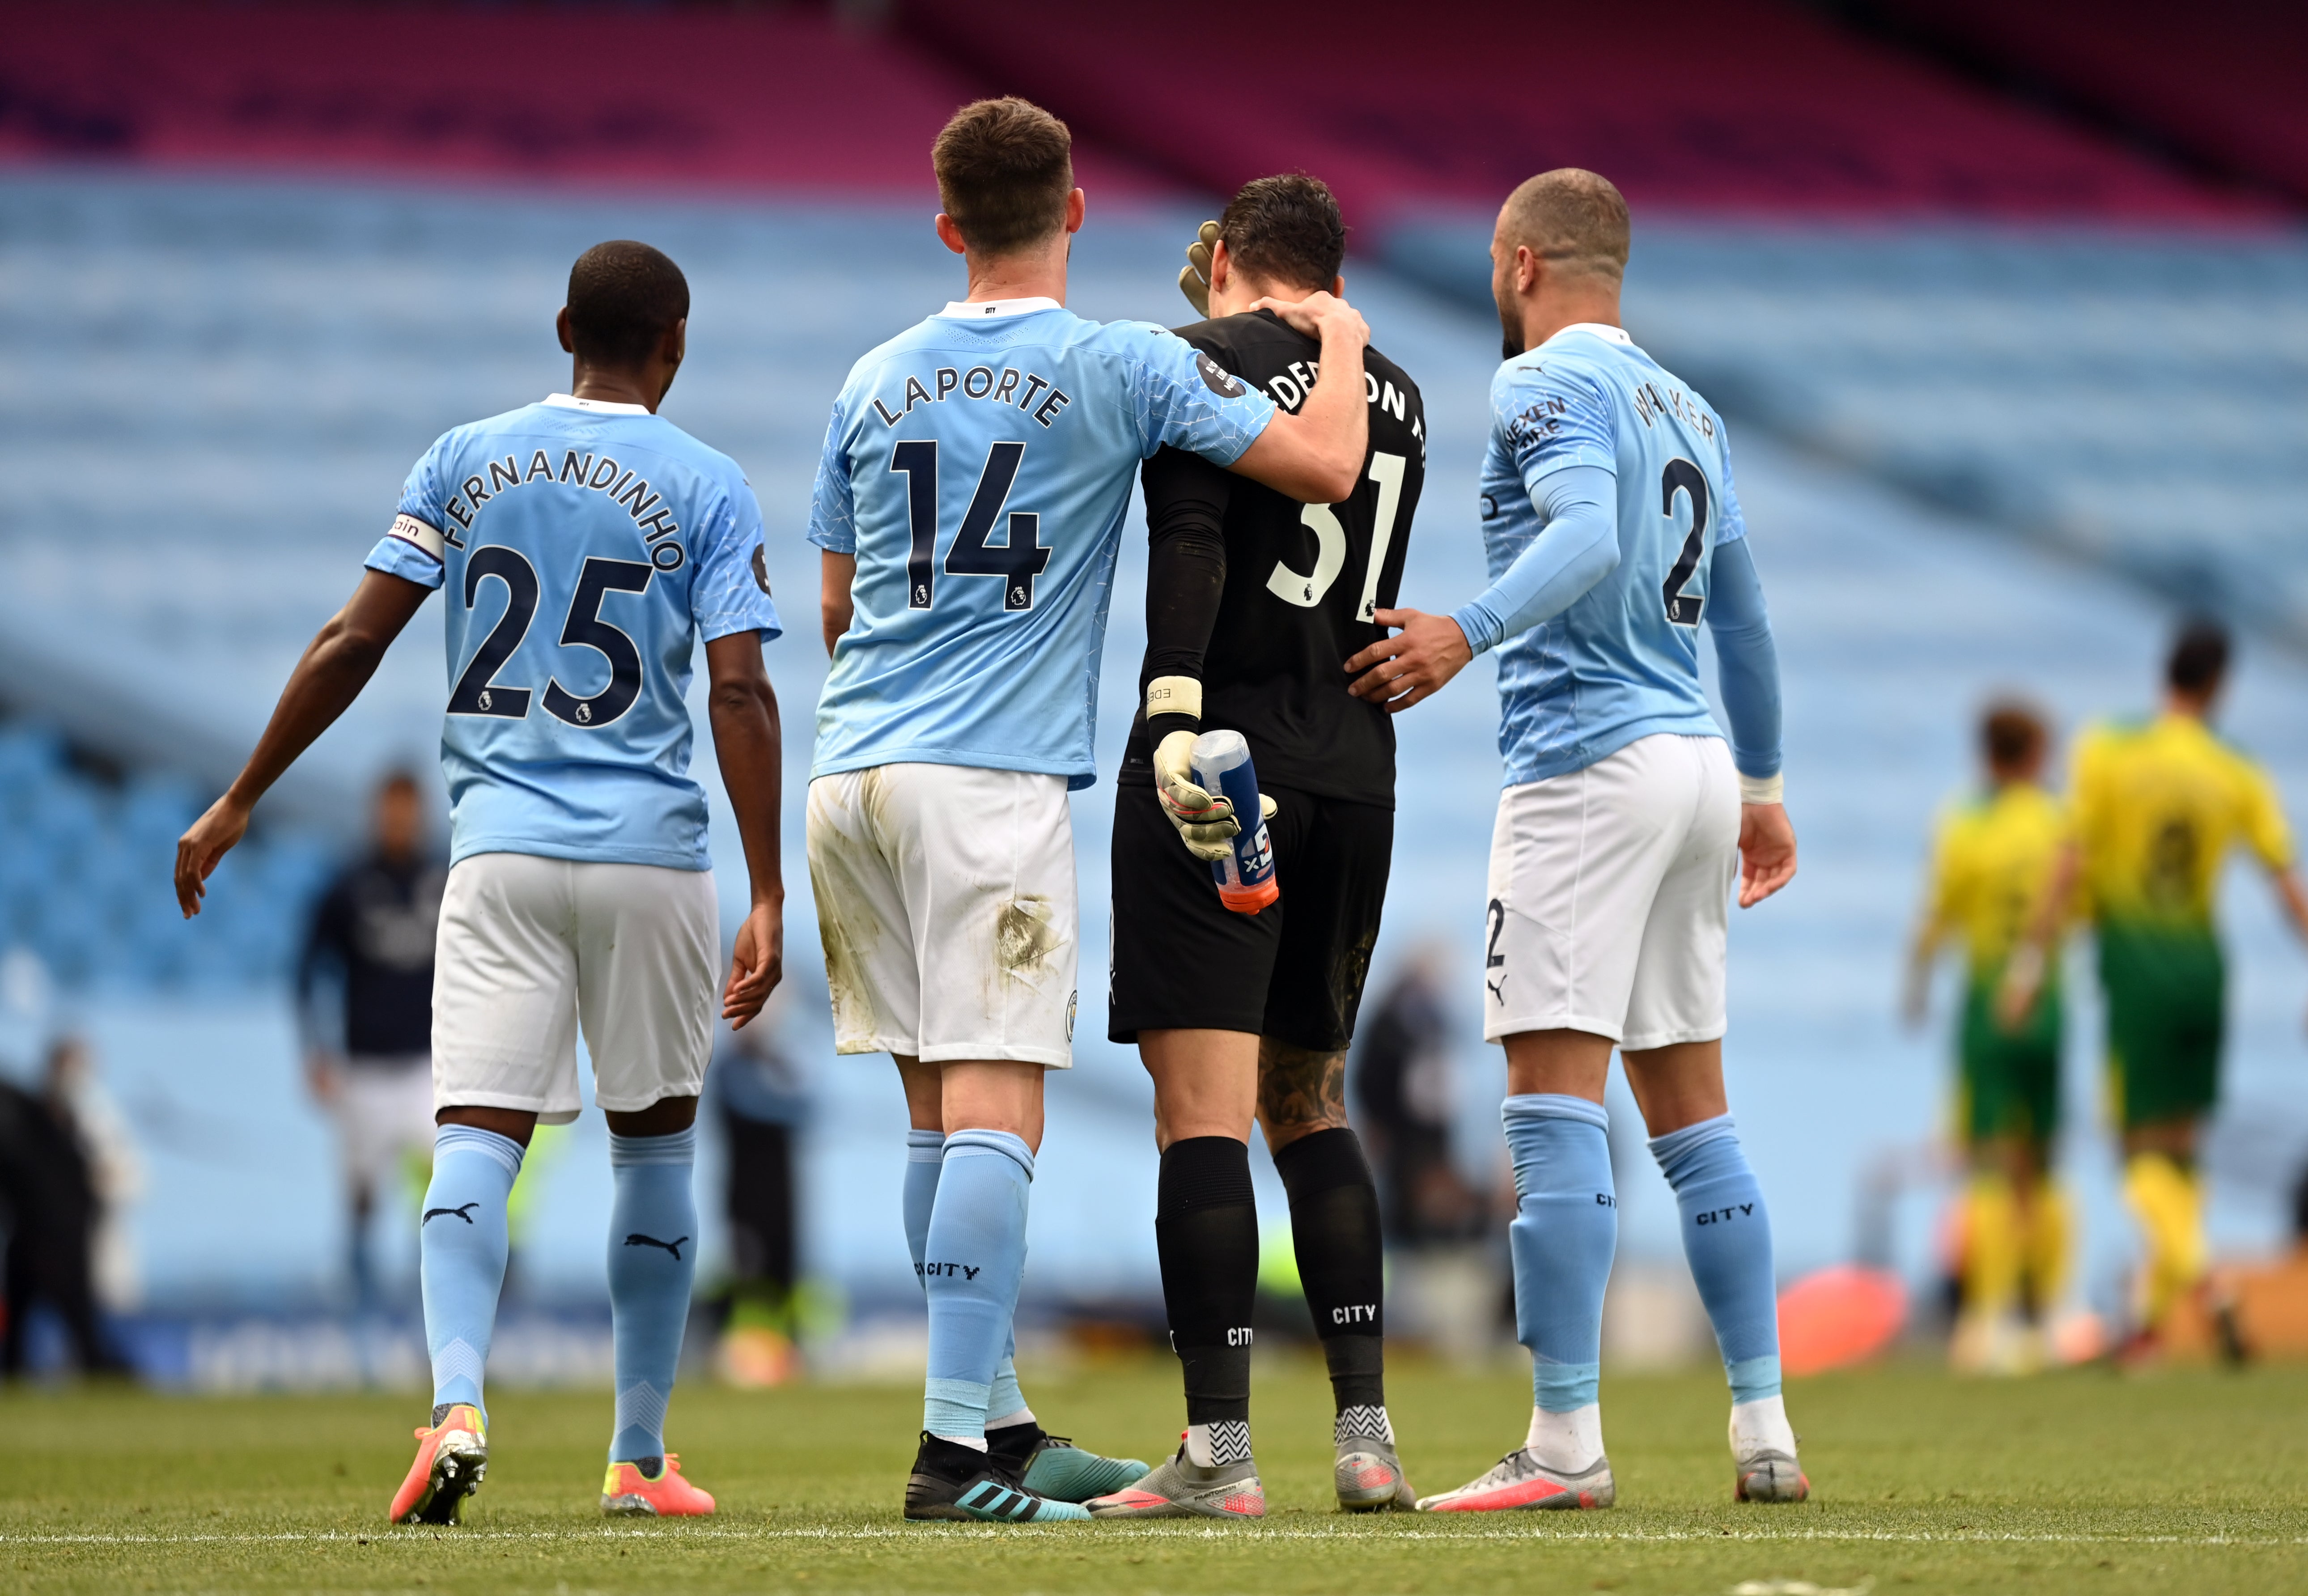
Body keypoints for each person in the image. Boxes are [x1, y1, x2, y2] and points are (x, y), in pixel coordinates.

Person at [804, 98, 1372, 1524]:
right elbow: (1323, 469)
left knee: (937, 1113)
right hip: (986, 778)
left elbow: (834, 601)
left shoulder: (870, 378)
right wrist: (1346, 341)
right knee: (998, 1106)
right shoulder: (1118, 360)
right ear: (1073, 211)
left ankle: (993, 1419)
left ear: (943, 226)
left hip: (852, 771)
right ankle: (949, 1458)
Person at [174, 240, 786, 1524]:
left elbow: (353, 639)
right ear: (676, 343)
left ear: (564, 324)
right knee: (657, 1146)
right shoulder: (712, 485)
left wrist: (240, 798)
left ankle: (455, 1402)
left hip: (499, 851)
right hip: (648, 859)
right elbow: (737, 686)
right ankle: (639, 1459)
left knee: (473, 1139)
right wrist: (768, 887)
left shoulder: (462, 461)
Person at [1340, 168, 1804, 1509]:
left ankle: (1563, 1443)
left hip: (1585, 771)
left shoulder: (1538, 384)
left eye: (1496, 264)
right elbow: (1747, 614)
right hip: (1697, 763)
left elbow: (1589, 534)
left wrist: (1463, 631)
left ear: (1522, 263)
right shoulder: (1686, 405)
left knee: (1550, 1119)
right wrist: (1763, 785)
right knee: (1694, 1122)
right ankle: (1763, 1427)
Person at [1093, 174, 1425, 1519]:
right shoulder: (1392, 381)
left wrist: (1170, 701)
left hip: (1221, 759)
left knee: (1201, 1112)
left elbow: (1188, 539)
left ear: (1221, 257)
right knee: (1314, 1101)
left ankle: (1218, 1450)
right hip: (1355, 765)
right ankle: (1367, 1437)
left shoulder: (1195, 359)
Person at [2006, 619, 2308, 1353]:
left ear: (2163, 671)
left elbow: (2071, 860)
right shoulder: (2235, 768)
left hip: (2136, 967)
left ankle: (2202, 1277)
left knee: (2137, 1147)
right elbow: (2284, 881)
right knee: (2184, 1146)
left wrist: (2030, 961)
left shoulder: (2108, 748)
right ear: (2219, 685)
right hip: (2204, 967)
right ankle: (2153, 1317)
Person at [1904, 702, 2073, 1372]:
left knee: (1991, 1162)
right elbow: (2074, 908)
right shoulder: (2059, 822)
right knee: (2043, 1162)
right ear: (2034, 753)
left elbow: (1936, 914)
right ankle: (2053, 1314)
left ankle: (1987, 1320)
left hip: (1984, 1002)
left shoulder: (1962, 824)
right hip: (2045, 1003)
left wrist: (1916, 984)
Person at [296, 770, 446, 1307]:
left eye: (408, 811)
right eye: (391, 810)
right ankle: (361, 1300)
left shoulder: (445, 878)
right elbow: (308, 966)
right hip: (364, 1067)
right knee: (361, 1191)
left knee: (446, 1186)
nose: (400, 822)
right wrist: (314, 1046)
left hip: (430, 1064)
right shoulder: (349, 887)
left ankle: (436, 1296)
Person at [707, 992, 812, 1387]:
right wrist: (784, 1096)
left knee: (786, 1277)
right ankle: (720, 1351)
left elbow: (809, 1106)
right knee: (744, 1277)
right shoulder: (732, 1070)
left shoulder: (778, 1065)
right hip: (745, 1198)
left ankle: (789, 1354)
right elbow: (764, 1107)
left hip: (785, 1197)